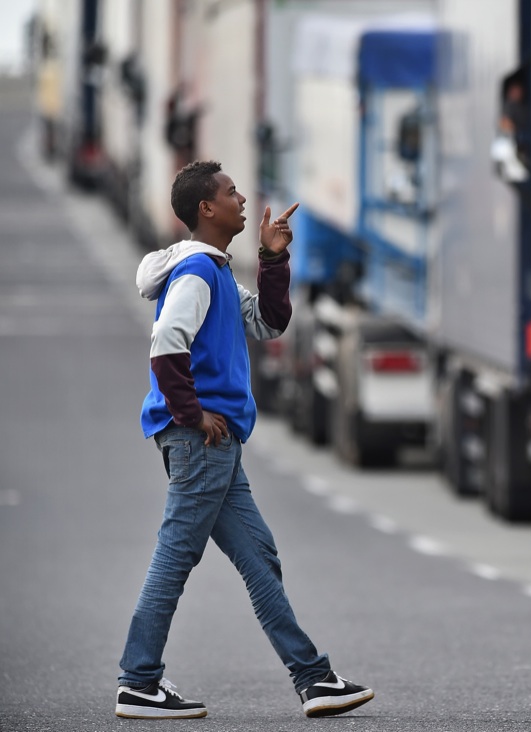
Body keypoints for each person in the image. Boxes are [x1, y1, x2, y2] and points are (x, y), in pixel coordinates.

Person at [116, 160, 374, 720]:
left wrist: (274, 258)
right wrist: (193, 413)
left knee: (259, 557)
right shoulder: (196, 275)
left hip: (214, 444)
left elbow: (269, 324)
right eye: (231, 193)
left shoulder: (217, 272)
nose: (241, 199)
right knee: (175, 557)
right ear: (205, 209)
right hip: (199, 442)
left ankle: (314, 680)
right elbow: (165, 345)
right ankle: (138, 681)